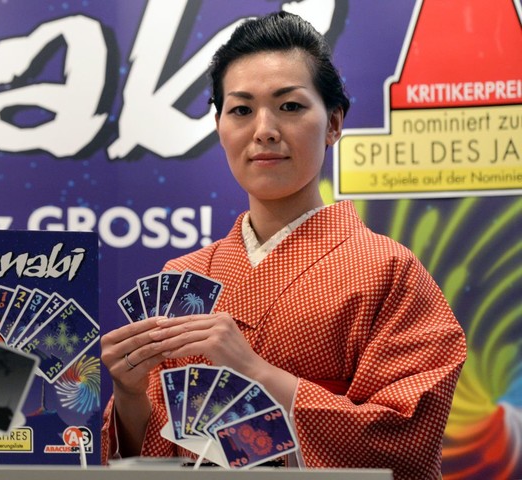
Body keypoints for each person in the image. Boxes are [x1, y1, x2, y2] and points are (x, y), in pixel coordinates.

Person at [100, 11, 466, 480]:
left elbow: (406, 440)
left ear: (334, 123)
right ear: (219, 126)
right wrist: (130, 394)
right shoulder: (185, 276)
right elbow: (151, 456)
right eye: (241, 110)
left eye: (290, 106)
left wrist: (256, 372)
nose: (264, 130)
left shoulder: (389, 270)